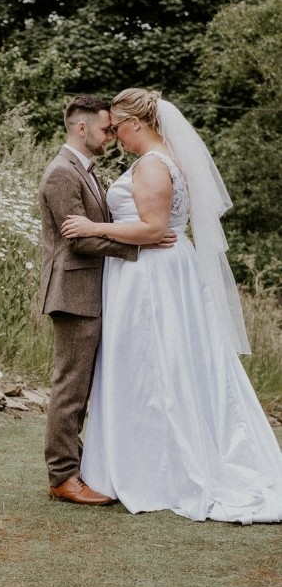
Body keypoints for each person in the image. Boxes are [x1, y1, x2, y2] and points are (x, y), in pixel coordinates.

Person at [61, 88, 282, 523]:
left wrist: (93, 224)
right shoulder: (160, 162)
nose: (115, 136)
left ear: (138, 124)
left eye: (119, 127)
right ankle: (143, 458)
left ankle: (160, 469)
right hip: (152, 269)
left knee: (153, 362)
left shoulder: (153, 166)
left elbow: (153, 228)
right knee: (151, 364)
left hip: (151, 275)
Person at [39, 95, 141, 506]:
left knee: (85, 384)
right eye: (105, 129)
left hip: (92, 291)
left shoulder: (86, 170)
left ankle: (85, 468)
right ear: (82, 129)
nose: (110, 135)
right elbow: (79, 241)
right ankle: (63, 476)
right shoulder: (61, 174)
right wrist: (138, 249)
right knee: (71, 387)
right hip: (74, 292)